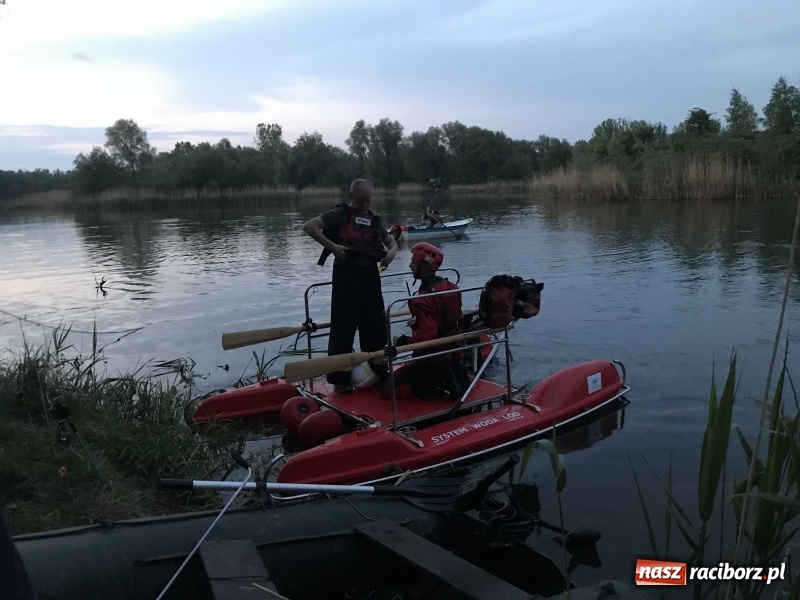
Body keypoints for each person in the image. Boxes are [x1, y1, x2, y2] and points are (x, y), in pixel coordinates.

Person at [303, 179, 398, 393]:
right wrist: (333, 247)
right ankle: (340, 380)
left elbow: (391, 242)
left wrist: (390, 254)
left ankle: (378, 372)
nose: (365, 205)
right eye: (361, 201)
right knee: (343, 327)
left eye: (368, 201)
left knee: (375, 324)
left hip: (371, 276)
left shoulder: (374, 220)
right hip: (347, 274)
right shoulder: (340, 214)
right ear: (352, 196)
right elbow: (309, 227)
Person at [392, 242, 468, 399]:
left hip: (432, 362)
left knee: (389, 389)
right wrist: (419, 323)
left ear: (424, 265)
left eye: (413, 261)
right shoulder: (452, 287)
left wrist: (401, 341)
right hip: (453, 356)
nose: (410, 266)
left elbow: (426, 339)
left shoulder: (422, 300)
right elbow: (453, 319)